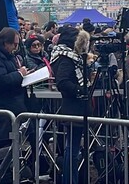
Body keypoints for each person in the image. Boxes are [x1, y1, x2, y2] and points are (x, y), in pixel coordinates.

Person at [51, 26, 91, 184]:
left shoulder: (65, 56)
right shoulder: (67, 58)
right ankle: (70, 180)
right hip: (73, 107)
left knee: (73, 148)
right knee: (72, 149)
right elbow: (63, 82)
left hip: (74, 107)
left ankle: (71, 179)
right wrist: (80, 90)